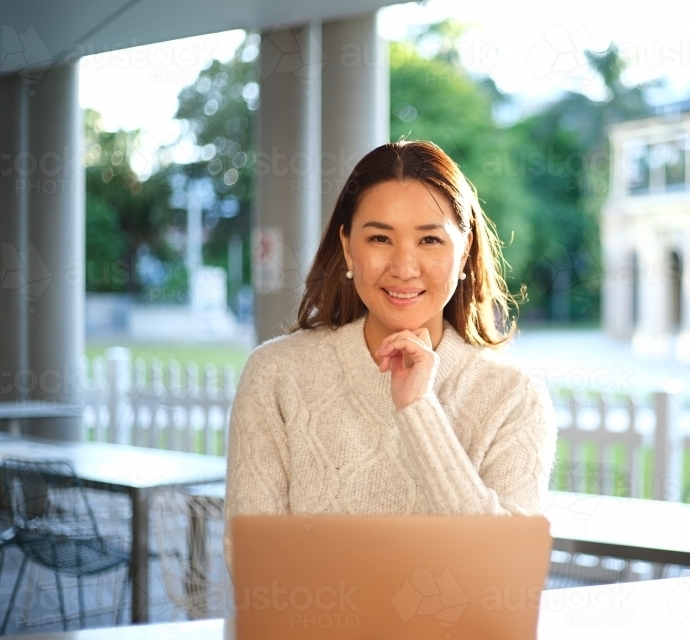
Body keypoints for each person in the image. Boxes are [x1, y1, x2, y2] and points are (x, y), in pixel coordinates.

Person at [223, 139, 558, 572]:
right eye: (380, 237)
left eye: (430, 240)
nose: (404, 266)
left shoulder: (515, 397)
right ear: (347, 247)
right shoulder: (275, 375)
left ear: (464, 252)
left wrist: (419, 410)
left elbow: (508, 572)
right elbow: (252, 563)